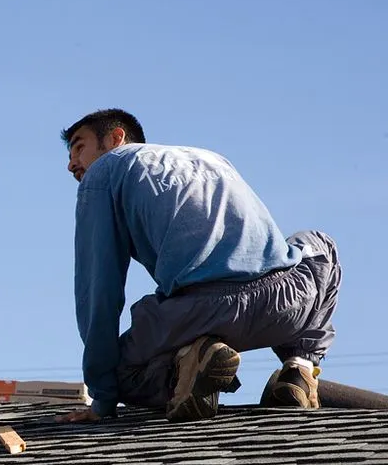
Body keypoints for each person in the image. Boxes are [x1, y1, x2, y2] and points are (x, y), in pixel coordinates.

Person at [54, 109, 342, 423]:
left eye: (79, 147)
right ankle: (299, 370)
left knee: (117, 372)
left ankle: (189, 367)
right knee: (319, 245)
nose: (71, 164)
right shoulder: (211, 157)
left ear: (116, 138)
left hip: (200, 313)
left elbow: (98, 290)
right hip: (283, 303)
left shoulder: (104, 172)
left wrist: (102, 399)